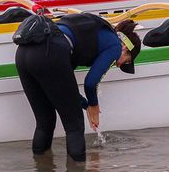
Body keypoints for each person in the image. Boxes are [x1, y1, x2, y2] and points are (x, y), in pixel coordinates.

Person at [14, 13, 141, 162]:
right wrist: (93, 105)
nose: (119, 65)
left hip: (23, 53)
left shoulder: (85, 36)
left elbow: (64, 86)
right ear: (125, 48)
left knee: (45, 122)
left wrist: (86, 105)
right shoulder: (114, 46)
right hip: (49, 51)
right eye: (126, 61)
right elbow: (90, 83)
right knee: (74, 126)